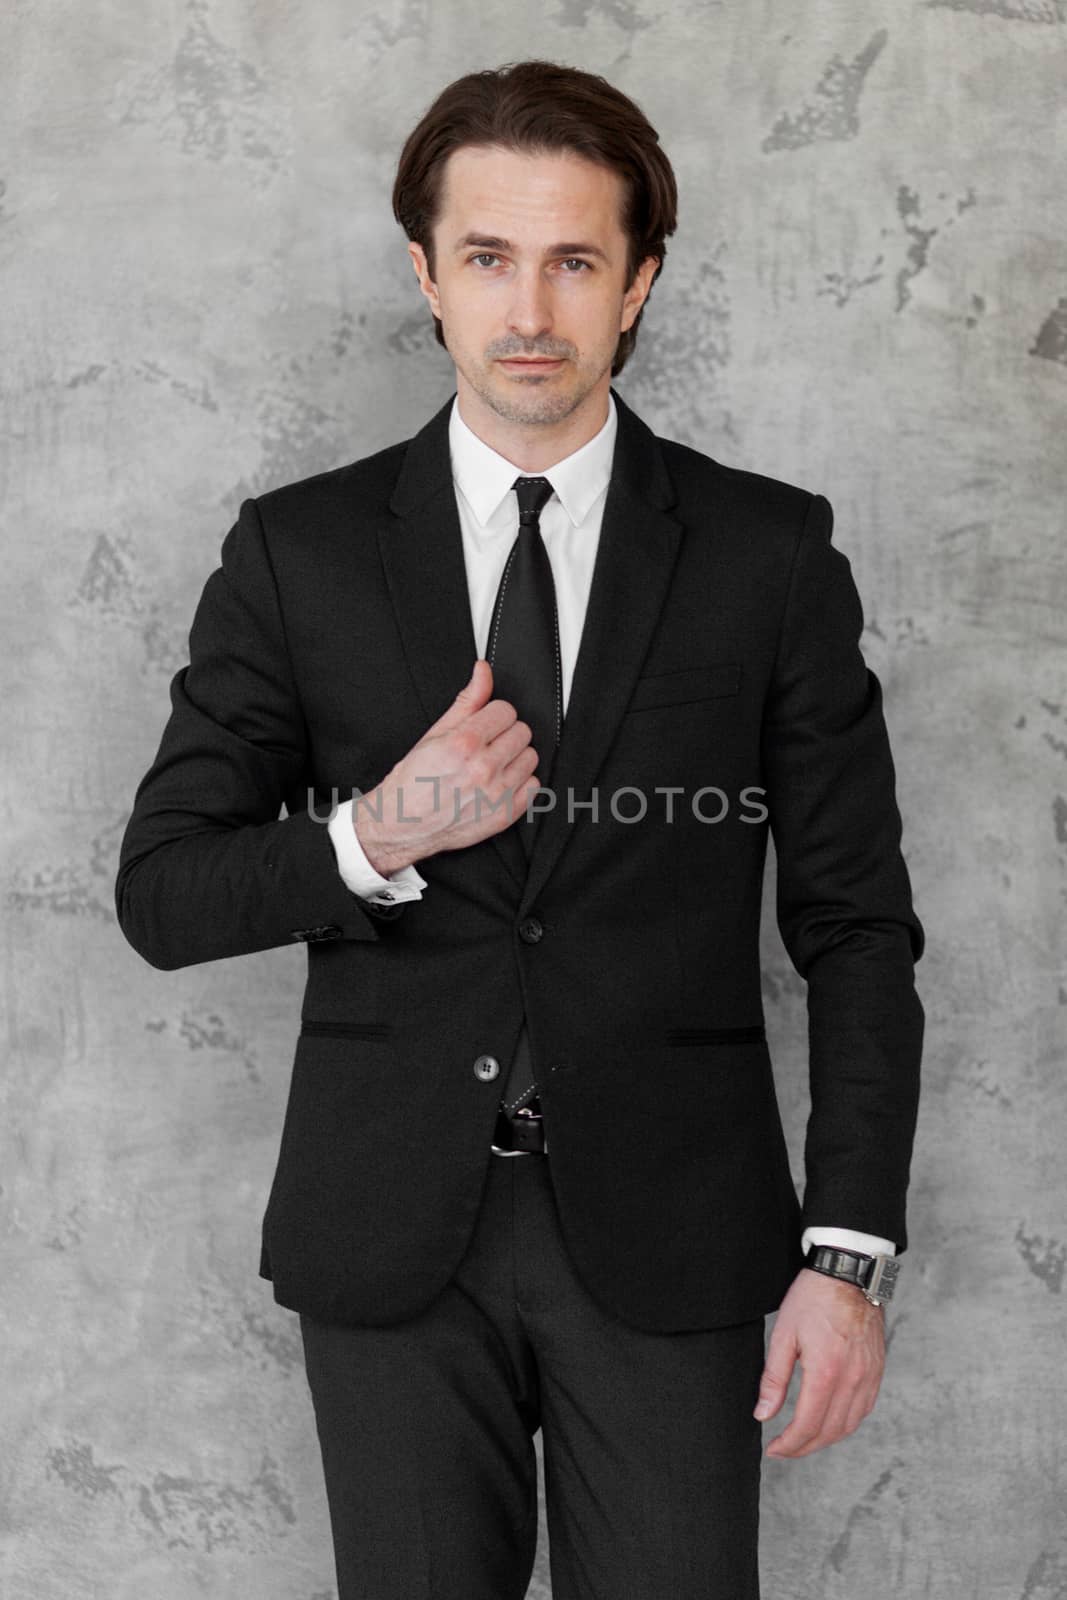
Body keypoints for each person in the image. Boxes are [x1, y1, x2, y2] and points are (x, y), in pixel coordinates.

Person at [115, 58, 925, 1600]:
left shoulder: (768, 556)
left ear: (639, 285)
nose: (530, 309)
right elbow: (164, 893)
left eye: (574, 260)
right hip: (391, 1233)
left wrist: (850, 1256)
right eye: (489, 257)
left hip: (677, 1239)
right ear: (427, 273)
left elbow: (857, 927)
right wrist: (374, 834)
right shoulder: (300, 554)